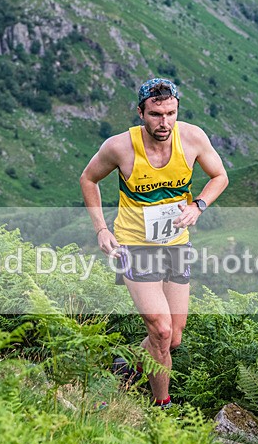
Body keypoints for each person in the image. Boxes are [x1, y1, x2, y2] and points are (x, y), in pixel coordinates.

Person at [79, 78, 229, 408]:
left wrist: (197, 205)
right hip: (134, 245)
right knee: (160, 331)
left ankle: (127, 367)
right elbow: (88, 179)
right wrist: (102, 230)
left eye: (171, 113)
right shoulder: (119, 147)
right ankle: (163, 408)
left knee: (173, 337)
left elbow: (220, 177)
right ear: (140, 113)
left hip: (176, 244)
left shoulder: (192, 138)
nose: (164, 123)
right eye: (156, 115)